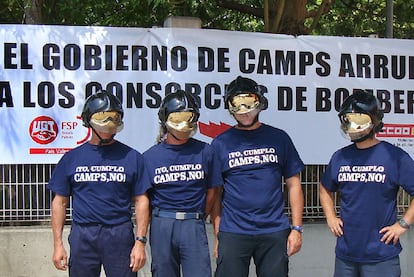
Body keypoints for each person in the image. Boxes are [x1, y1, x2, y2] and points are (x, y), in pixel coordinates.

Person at [48, 90, 151, 277]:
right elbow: (59, 202)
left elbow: (142, 200)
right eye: (103, 116)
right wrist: (57, 245)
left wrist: (140, 242)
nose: (109, 122)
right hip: (83, 234)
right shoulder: (71, 159)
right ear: (89, 119)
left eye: (114, 116)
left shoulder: (132, 157)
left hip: (119, 234)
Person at [211, 76, 305, 277]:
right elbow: (215, 193)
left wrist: (296, 228)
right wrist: (219, 234)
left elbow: (294, 184)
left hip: (274, 230)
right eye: (237, 104)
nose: (244, 111)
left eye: (249, 102)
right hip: (234, 231)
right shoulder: (220, 143)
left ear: (260, 103)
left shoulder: (279, 138)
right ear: (229, 107)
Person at [319, 91, 414, 277]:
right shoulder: (340, 157)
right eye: (348, 119)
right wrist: (330, 217)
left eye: (359, 120)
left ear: (374, 121)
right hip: (346, 254)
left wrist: (403, 224)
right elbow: (324, 188)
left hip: (382, 256)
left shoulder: (394, 157)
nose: (353, 126)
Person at [143, 90, 221, 277]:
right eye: (177, 118)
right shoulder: (149, 157)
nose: (184, 124)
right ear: (165, 119)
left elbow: (213, 191)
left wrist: (199, 215)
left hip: (193, 222)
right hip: (162, 223)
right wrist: (141, 237)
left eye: (189, 117)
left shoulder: (206, 152)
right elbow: (143, 199)